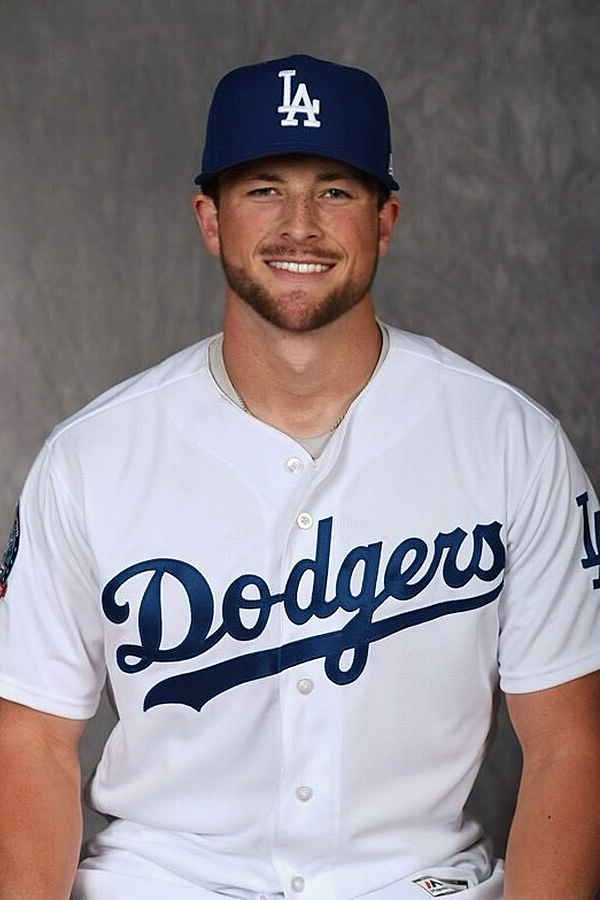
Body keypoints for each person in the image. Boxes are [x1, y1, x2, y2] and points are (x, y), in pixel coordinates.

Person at [0, 53, 598, 900]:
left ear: (386, 220)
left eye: (336, 190)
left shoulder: (512, 443)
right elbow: (29, 740)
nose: (300, 224)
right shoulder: (91, 458)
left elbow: (570, 744)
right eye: (263, 189)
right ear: (209, 218)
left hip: (417, 885)